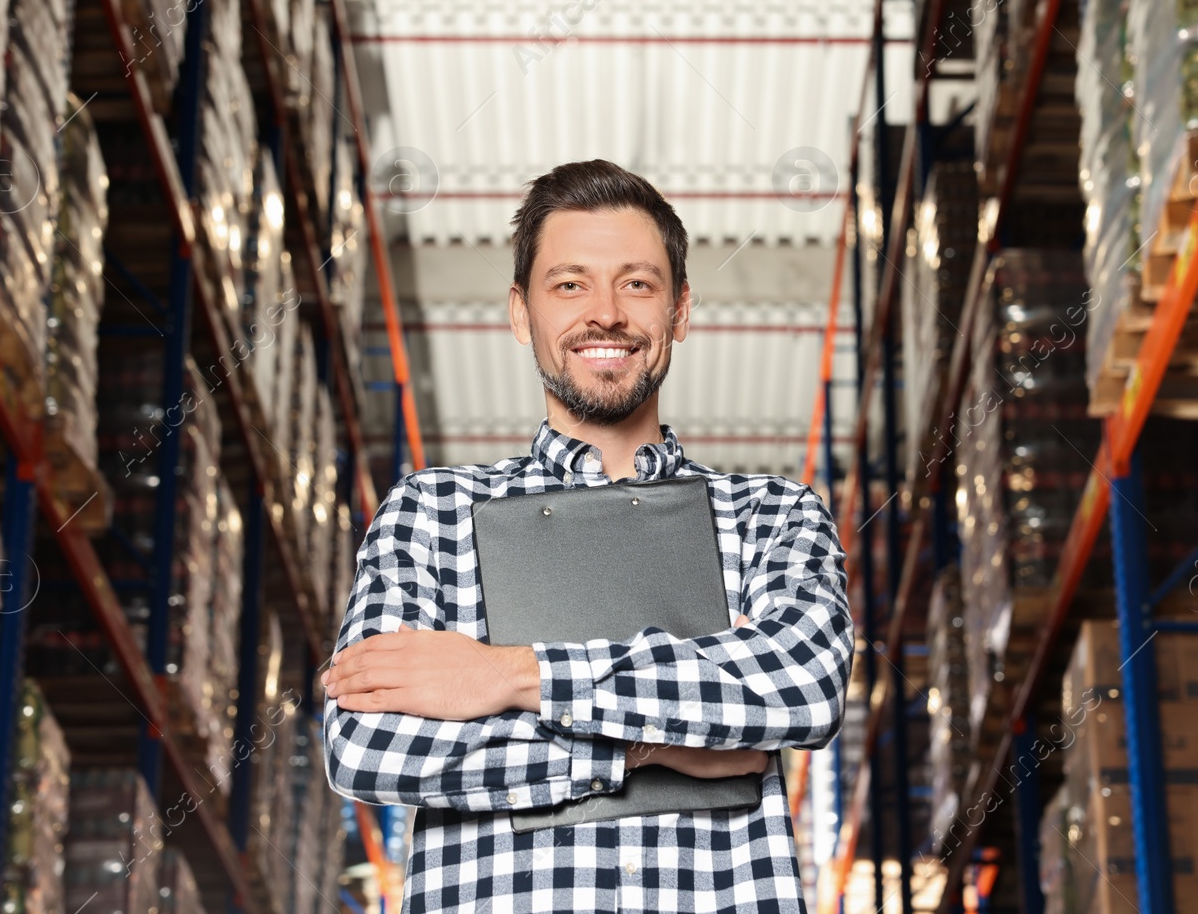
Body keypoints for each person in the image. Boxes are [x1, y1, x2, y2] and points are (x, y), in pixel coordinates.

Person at [320, 158, 855, 913]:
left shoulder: (773, 514)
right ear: (520, 312)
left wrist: (507, 676)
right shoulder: (431, 512)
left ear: (680, 311)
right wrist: (655, 744)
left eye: (637, 283)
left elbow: (800, 682)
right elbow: (367, 742)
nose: (605, 313)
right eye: (569, 284)